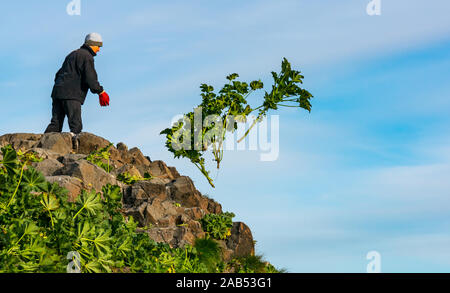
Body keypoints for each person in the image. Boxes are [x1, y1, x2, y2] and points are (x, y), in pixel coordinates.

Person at [44, 32, 110, 148]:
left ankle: (43, 146)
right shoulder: (87, 57)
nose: (99, 50)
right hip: (72, 95)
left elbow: (58, 74)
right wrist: (101, 92)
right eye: (98, 46)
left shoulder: (71, 55)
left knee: (55, 124)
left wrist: (61, 87)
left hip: (57, 93)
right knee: (75, 125)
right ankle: (74, 151)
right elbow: (90, 78)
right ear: (92, 44)